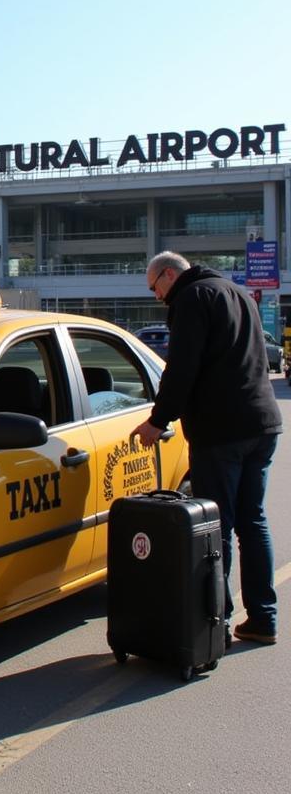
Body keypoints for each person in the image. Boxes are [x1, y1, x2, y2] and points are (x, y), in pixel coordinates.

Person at [133, 251, 281, 647]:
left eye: (155, 288)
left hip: (222, 431)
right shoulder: (236, 293)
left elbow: (181, 368)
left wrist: (157, 421)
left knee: (219, 527)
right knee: (254, 522)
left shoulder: (191, 299)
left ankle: (218, 621)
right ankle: (263, 619)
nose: (157, 298)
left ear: (169, 274)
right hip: (263, 423)